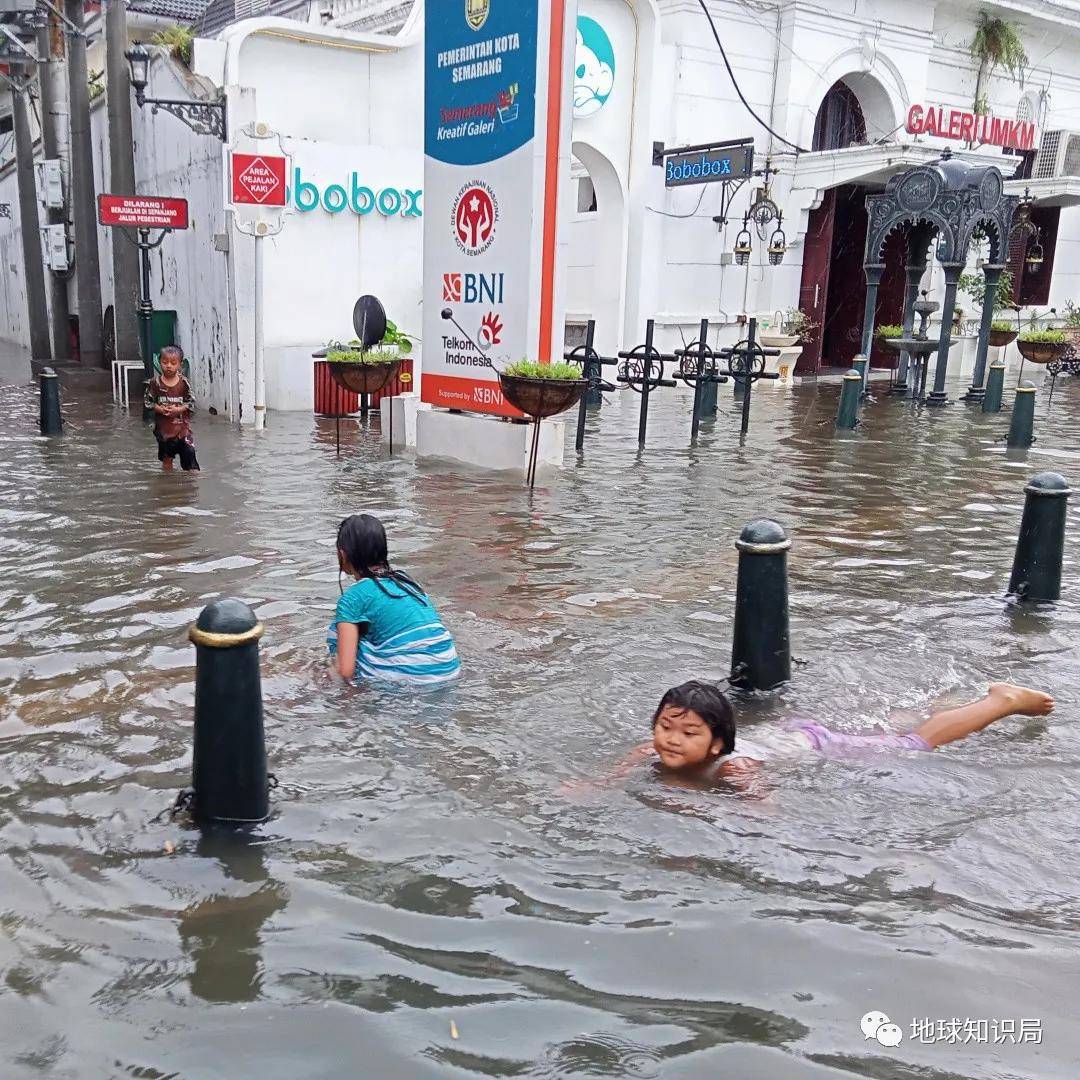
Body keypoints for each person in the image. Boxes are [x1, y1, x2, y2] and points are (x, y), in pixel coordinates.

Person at [633, 679, 1055, 784]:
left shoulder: (735, 767)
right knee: (889, 732)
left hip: (815, 742)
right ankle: (941, 704)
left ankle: (1003, 700)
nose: (671, 738)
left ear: (717, 745)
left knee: (915, 745)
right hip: (787, 734)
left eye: (689, 733)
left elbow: (761, 801)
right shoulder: (655, 748)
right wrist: (590, 786)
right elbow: (630, 760)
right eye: (665, 726)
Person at [328, 514, 460, 687]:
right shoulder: (408, 584)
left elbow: (345, 673)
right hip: (449, 671)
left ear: (342, 555)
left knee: (337, 638)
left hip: (410, 684)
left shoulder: (353, 598)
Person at [144, 345, 199, 472]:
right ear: (159, 362)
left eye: (173, 363)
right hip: (164, 431)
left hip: (183, 430)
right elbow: (148, 403)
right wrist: (160, 409)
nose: (169, 366)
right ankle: (168, 484)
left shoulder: (184, 383)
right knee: (167, 459)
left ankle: (192, 487)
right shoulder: (154, 383)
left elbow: (191, 404)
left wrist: (178, 410)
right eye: (165, 362)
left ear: (180, 364)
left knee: (190, 457)